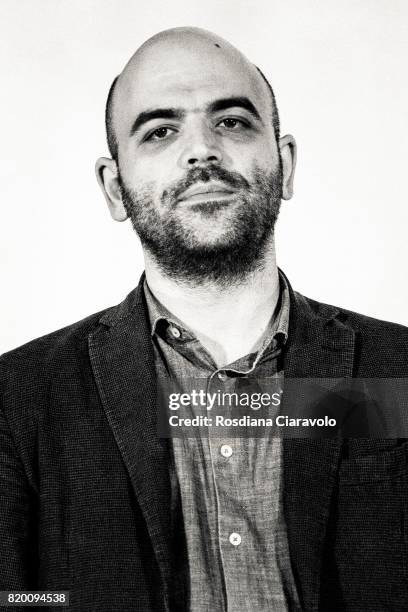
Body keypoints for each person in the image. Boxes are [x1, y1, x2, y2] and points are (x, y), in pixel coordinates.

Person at [1, 26, 408, 612]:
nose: (201, 150)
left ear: (285, 164)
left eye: (233, 121)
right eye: (161, 130)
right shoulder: (18, 402)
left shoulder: (396, 373)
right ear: (115, 190)